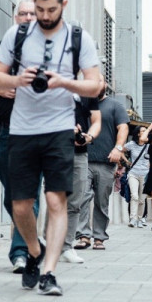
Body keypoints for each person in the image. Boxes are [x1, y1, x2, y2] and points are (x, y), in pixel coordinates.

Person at [0, 0, 102, 295]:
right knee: (21, 205)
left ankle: (49, 272)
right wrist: (17, 80)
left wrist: (64, 82)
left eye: (51, 9)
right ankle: (35, 252)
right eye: (39, 9)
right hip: (22, 130)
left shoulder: (79, 37)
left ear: (63, 5)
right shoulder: (18, 34)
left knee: (56, 200)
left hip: (59, 129)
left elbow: (95, 85)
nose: (44, 16)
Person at [0, 0, 38, 272]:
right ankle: (28, 239)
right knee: (12, 194)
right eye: (22, 13)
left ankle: (21, 252)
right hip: (3, 129)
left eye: (32, 14)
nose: (27, 17)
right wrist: (0, 91)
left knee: (29, 193)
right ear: (16, 18)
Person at [75, 76, 129, 250]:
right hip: (83, 159)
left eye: (99, 82)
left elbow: (123, 128)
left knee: (101, 201)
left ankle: (99, 237)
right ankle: (83, 235)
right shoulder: (80, 103)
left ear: (105, 84)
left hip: (106, 162)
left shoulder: (115, 106)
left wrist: (118, 148)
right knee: (82, 197)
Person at [59, 92, 101, 264]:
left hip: (80, 154)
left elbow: (97, 121)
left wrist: (88, 136)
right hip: (55, 150)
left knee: (76, 201)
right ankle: (51, 245)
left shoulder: (87, 90)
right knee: (56, 199)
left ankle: (67, 247)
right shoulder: (53, 84)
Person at [124, 126, 150, 228]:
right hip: (133, 173)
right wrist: (126, 161)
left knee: (142, 199)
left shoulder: (149, 146)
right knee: (134, 196)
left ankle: (140, 219)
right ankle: (133, 219)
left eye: (146, 131)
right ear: (138, 134)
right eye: (143, 131)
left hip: (145, 174)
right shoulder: (132, 144)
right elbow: (120, 149)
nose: (145, 133)